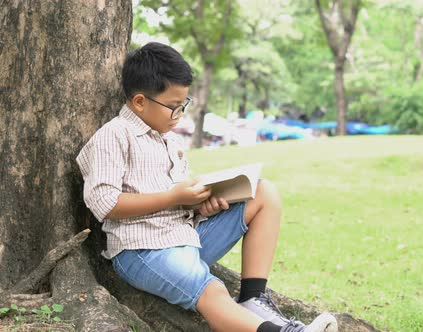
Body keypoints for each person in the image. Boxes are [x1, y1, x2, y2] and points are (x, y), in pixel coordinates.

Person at [76, 42, 337, 332]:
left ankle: (252, 297)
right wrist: (173, 197)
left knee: (264, 193)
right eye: (173, 108)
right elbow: (104, 203)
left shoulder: (169, 139)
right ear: (139, 102)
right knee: (213, 290)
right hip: (142, 250)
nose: (180, 115)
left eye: (184, 106)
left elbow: (179, 199)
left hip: (186, 235)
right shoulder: (113, 137)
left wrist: (199, 204)